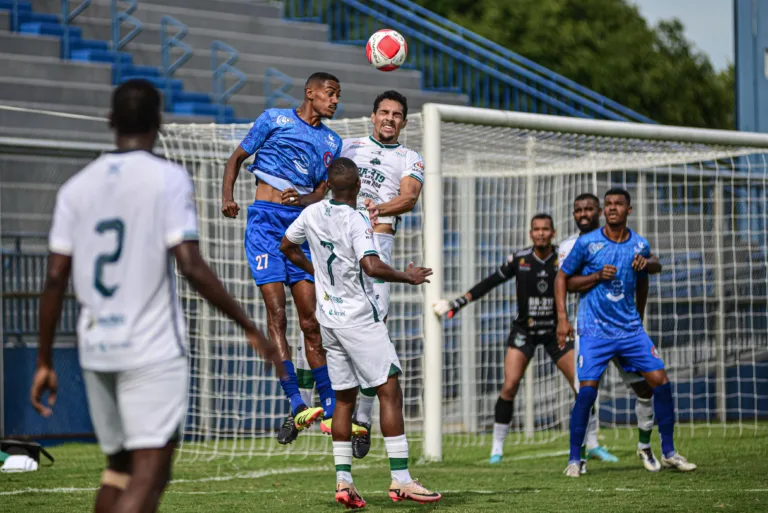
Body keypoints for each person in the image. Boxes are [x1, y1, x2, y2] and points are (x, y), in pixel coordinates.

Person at [29, 79, 283, 513]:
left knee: (118, 469)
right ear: (159, 123)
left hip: (96, 348)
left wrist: (45, 359)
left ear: (110, 121)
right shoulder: (166, 178)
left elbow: (55, 278)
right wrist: (250, 327)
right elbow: (190, 265)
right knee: (151, 469)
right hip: (151, 348)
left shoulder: (76, 187)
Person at [280, 157, 441, 508]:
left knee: (344, 398)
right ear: (355, 188)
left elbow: (286, 246)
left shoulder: (311, 214)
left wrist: (316, 273)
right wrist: (407, 276)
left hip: (329, 321)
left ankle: (344, 482)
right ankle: (401, 481)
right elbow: (370, 265)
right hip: (357, 318)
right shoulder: (356, 219)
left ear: (329, 184)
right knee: (389, 390)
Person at [221, 72, 364, 443]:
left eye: (338, 95)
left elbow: (321, 190)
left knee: (311, 321)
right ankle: (296, 402)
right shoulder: (274, 119)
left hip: (300, 229)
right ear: (310, 93)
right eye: (330, 94)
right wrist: (228, 198)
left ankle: (330, 405)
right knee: (277, 314)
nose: (335, 101)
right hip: (264, 225)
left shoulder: (331, 140)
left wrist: (302, 200)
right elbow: (236, 158)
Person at [309, 90, 424, 456]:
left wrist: (376, 207)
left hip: (377, 239)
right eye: (384, 112)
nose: (389, 119)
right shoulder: (350, 145)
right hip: (339, 243)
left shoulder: (410, 157)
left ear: (404, 122)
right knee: (320, 322)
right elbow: (326, 184)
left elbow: (409, 198)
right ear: (372, 117)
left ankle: (365, 417)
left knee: (374, 330)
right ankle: (320, 404)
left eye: (397, 115)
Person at [558, 188, 697, 477]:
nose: (611, 208)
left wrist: (640, 310)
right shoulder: (588, 244)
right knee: (586, 393)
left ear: (628, 210)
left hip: (629, 330)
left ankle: (666, 451)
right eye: (607, 204)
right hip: (594, 330)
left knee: (659, 381)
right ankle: (575, 458)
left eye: (618, 204)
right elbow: (564, 279)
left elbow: (651, 270)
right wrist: (563, 318)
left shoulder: (639, 245)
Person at [434, 214, 580, 464]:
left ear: (553, 233)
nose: (541, 233)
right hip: (525, 331)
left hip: (556, 331)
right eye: (537, 229)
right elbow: (490, 282)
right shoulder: (520, 259)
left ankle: (593, 443)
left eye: (546, 229)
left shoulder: (563, 258)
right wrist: (459, 303)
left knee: (582, 385)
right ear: (530, 233)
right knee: (510, 386)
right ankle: (497, 448)